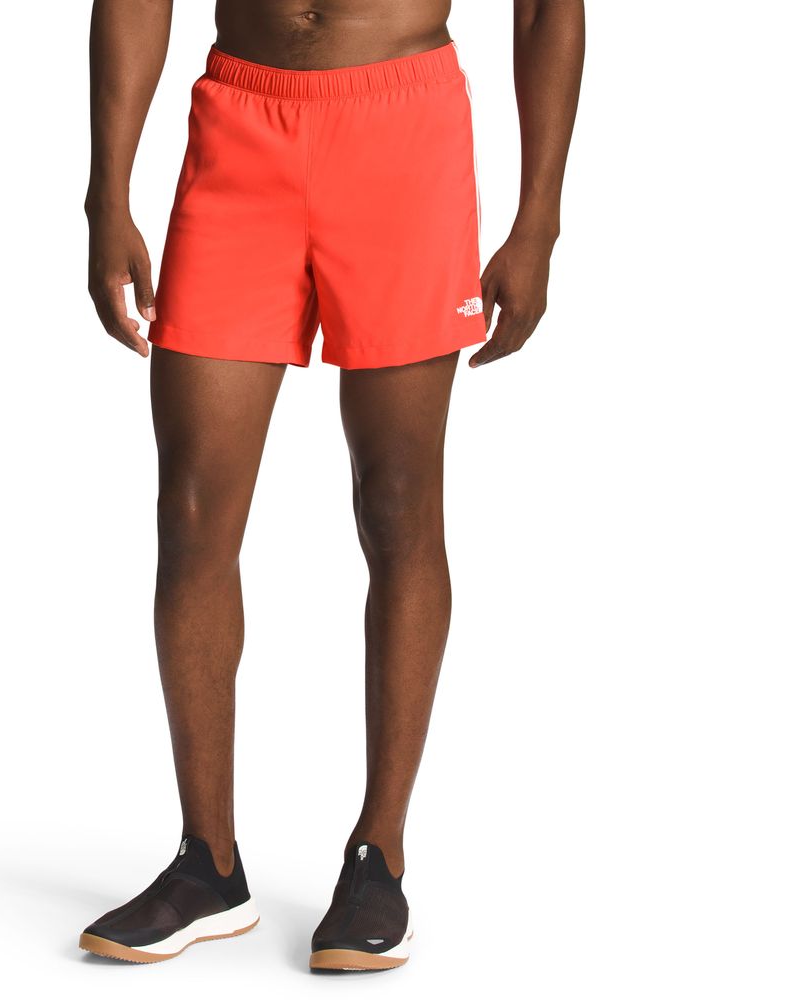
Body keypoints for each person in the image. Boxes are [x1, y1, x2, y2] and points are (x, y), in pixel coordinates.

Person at [79, 0, 584, 972]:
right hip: (240, 123)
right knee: (192, 512)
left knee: (395, 503)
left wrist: (539, 220)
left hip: (402, 127)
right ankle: (206, 864)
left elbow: (546, 10)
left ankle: (378, 854)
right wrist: (107, 195)